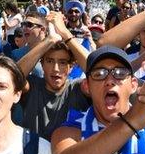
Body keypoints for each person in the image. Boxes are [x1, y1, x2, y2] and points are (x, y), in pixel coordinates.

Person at [16, 12, 90, 141]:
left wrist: (65, 33)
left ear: (71, 67)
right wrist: (50, 40)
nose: (56, 69)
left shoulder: (78, 89)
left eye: (62, 63)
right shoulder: (32, 87)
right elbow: (12, 76)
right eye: (49, 61)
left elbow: (96, 71)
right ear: (42, 64)